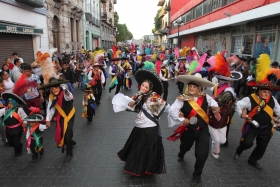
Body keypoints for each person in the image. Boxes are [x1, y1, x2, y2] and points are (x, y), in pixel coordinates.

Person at [112, 69, 169, 176]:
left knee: (143, 149)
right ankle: (140, 166)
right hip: (139, 125)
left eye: (146, 87)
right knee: (138, 147)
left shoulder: (153, 97)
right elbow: (132, 106)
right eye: (143, 85)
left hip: (150, 127)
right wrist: (128, 103)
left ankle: (141, 168)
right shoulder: (139, 95)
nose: (143, 88)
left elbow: (166, 108)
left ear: (150, 89)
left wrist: (178, 113)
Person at [168, 73, 221, 186]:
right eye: (190, 86)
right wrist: (180, 118)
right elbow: (172, 110)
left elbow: (215, 104)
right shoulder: (182, 98)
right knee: (185, 147)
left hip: (202, 130)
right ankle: (181, 153)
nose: (191, 88)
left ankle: (197, 176)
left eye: (194, 87)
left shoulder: (206, 97)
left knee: (202, 154)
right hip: (188, 130)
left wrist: (216, 110)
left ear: (199, 88)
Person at [234, 54, 280, 171]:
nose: (266, 94)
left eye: (268, 92)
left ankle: (253, 160)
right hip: (252, 125)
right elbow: (238, 104)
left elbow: (279, 110)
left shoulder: (272, 100)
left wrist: (278, 119)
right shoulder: (250, 99)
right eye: (263, 91)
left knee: (262, 146)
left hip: (266, 128)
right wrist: (242, 114)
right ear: (258, 90)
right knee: (247, 143)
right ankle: (239, 150)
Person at [41, 77, 76, 163]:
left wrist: (67, 91)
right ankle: (70, 141)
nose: (54, 90)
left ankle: (69, 152)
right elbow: (50, 109)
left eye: (56, 87)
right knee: (62, 132)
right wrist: (48, 120)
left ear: (59, 87)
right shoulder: (51, 97)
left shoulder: (64, 93)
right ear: (50, 89)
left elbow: (70, 97)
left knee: (68, 132)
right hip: (61, 116)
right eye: (52, 88)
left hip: (70, 114)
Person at [0, 92, 28, 159]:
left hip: (17, 128)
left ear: (15, 103)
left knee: (16, 141)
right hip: (8, 129)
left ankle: (17, 152)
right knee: (10, 142)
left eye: (11, 103)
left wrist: (25, 122)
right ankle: (19, 145)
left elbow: (25, 117)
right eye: (8, 103)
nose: (9, 105)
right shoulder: (5, 110)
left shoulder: (19, 110)